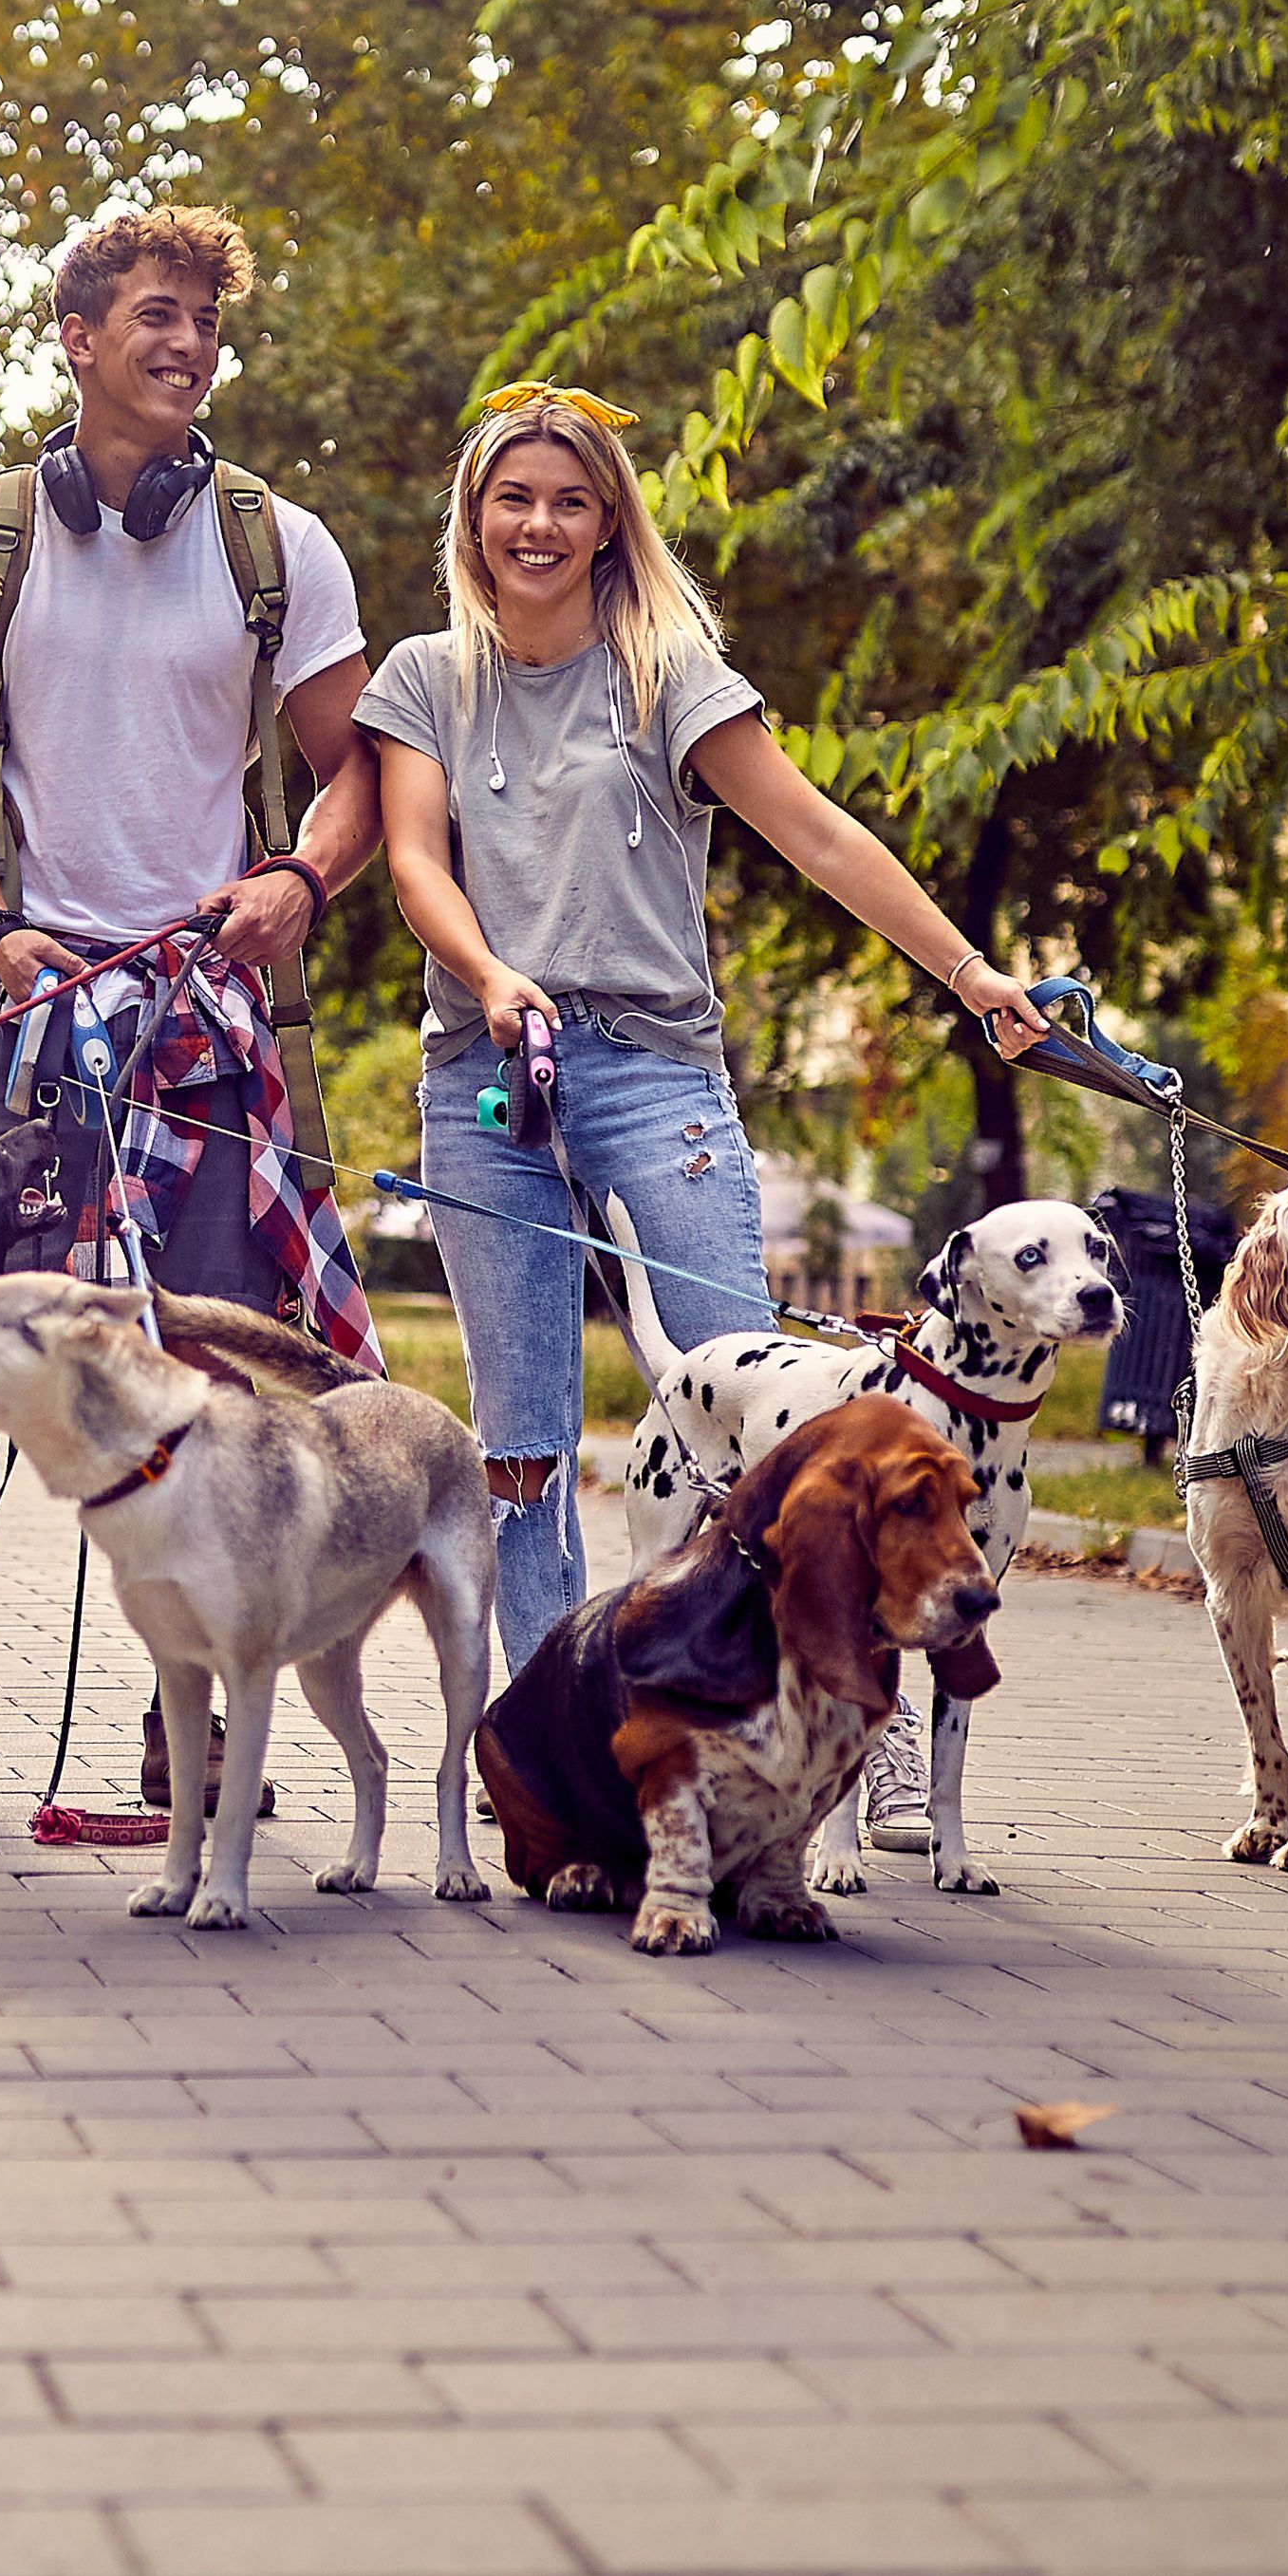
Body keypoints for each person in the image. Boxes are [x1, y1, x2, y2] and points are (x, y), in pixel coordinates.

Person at [368, 384, 1052, 1672]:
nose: (540, 523)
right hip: (485, 1082)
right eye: (514, 497)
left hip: (651, 1074)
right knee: (520, 1447)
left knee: (763, 1427)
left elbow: (817, 832)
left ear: (610, 527)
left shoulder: (665, 671)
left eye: (572, 500)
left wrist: (969, 975)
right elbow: (414, 861)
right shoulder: (427, 677)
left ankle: (835, 1712)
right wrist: (491, 975)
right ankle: (550, 1737)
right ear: (474, 519)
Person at [0, 205, 378, 1811]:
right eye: (156, 317)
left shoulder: (276, 544)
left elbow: (364, 768)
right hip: (13, 1002)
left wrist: (299, 881)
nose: (186, 346)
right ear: (78, 339)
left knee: (215, 1382)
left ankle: (193, 1727)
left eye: (206, 327)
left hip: (201, 1016)